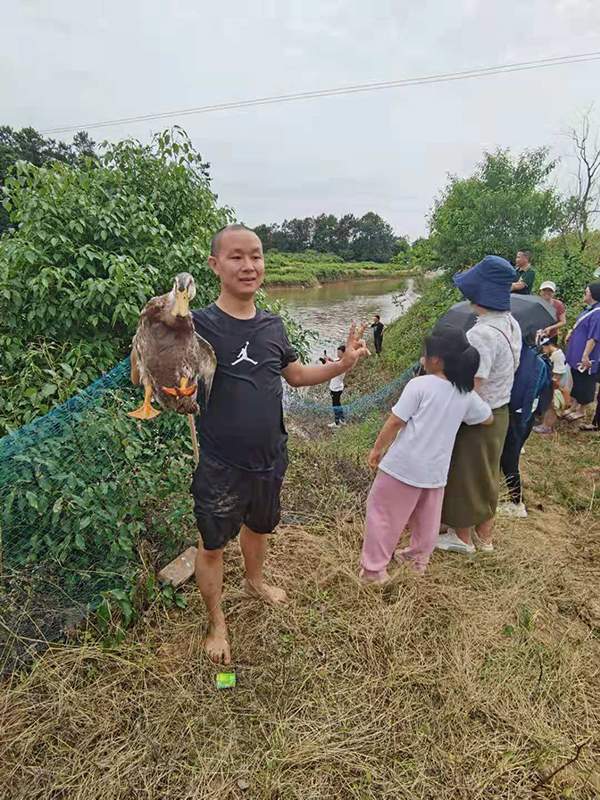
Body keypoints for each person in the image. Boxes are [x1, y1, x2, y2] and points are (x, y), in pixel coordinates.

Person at [191, 224, 368, 664]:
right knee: (212, 545)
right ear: (215, 265)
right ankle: (217, 624)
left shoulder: (272, 325)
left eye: (256, 255)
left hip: (270, 455)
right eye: (236, 257)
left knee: (260, 526)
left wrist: (342, 364)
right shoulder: (196, 325)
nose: (248, 266)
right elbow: (157, 376)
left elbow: (296, 375)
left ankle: (254, 582)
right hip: (220, 462)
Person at [360, 327, 492, 581]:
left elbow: (394, 422)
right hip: (435, 473)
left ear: (436, 359)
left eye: (425, 353)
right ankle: (416, 562)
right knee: (426, 522)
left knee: (382, 515)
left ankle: (374, 571)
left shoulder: (419, 385)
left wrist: (377, 450)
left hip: (402, 467)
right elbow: (486, 419)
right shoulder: (464, 394)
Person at [436, 256, 521, 555]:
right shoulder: (510, 324)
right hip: (500, 410)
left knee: (465, 473)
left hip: (479, 415)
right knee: (487, 474)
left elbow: (473, 384)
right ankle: (485, 537)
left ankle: (461, 538)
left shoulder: (480, 334)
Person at [563, 282, 600, 422]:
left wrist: (585, 355)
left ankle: (581, 410)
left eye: (587, 291)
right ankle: (573, 405)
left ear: (594, 294)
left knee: (585, 381)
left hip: (586, 355)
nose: (585, 292)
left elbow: (594, 337)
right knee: (576, 378)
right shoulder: (589, 309)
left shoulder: (598, 313)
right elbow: (580, 325)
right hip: (576, 351)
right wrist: (571, 333)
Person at [533, 337, 571, 435]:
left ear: (549, 345)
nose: (543, 350)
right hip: (556, 382)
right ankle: (544, 424)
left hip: (559, 383)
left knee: (554, 405)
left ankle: (547, 427)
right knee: (550, 404)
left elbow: (558, 375)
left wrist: (554, 388)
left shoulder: (557, 355)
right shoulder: (554, 353)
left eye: (544, 347)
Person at [328, 345, 347, 427]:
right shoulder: (339, 361)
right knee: (338, 404)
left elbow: (335, 366)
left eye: (339, 352)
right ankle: (342, 419)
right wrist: (329, 359)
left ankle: (337, 423)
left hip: (336, 388)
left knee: (335, 405)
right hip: (338, 387)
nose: (337, 354)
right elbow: (334, 362)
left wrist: (328, 362)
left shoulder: (343, 364)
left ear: (343, 353)